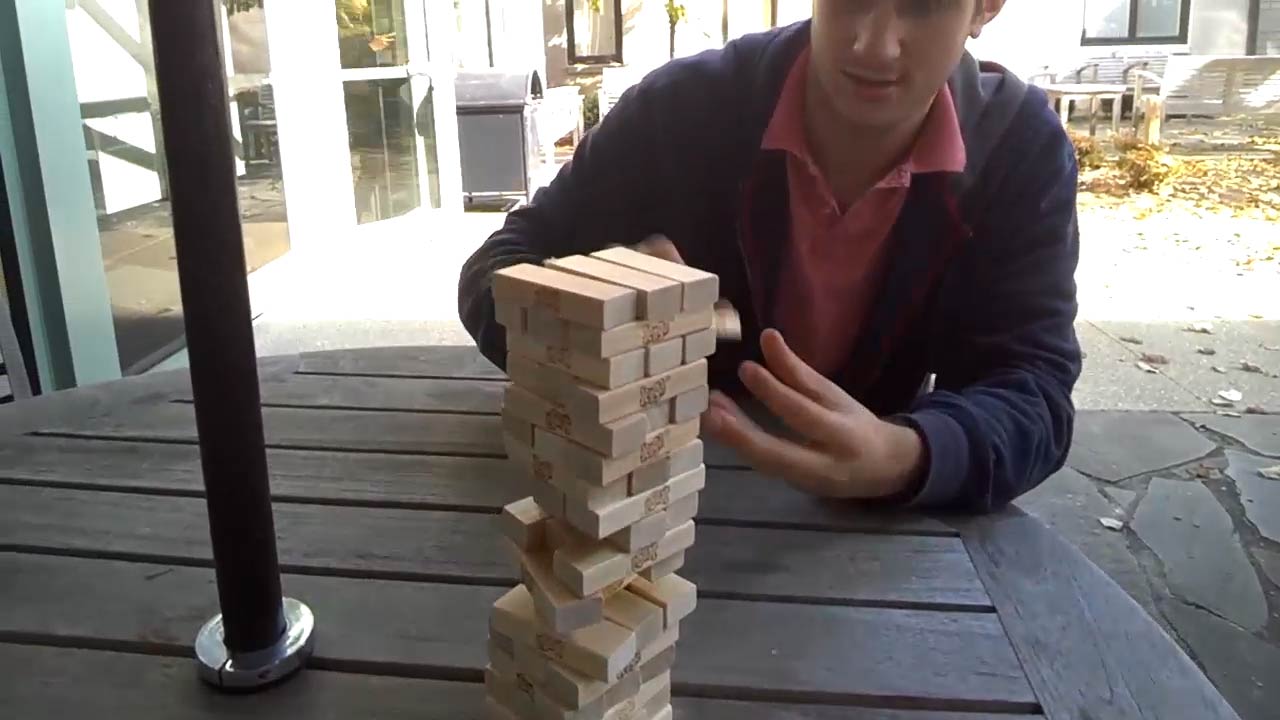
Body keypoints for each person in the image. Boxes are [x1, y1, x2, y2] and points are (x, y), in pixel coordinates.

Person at [458, 0, 1082, 513]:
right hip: (647, 497)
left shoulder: (1016, 149)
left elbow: (1033, 389)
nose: (873, 44)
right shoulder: (683, 109)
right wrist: (592, 312)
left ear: (985, 7)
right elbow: (498, 266)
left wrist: (912, 454)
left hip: (861, 540)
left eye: (922, 6)